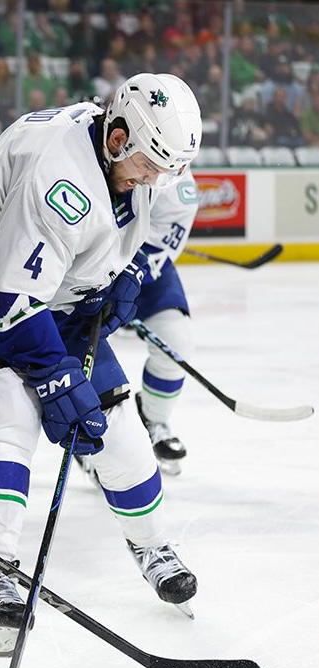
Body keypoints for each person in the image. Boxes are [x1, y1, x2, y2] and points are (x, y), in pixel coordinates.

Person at [0, 73, 202, 655]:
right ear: (118, 138)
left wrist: (120, 277)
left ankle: (150, 544)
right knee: (8, 403)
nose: (154, 179)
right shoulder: (61, 177)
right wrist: (54, 377)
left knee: (117, 423)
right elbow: (9, 306)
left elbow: (118, 227)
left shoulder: (128, 152)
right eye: (148, 166)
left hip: (52, 291)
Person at [132, 172, 200, 475]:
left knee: (176, 342)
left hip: (139, 268)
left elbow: (156, 255)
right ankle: (89, 433)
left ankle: (154, 418)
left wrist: (122, 287)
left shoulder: (180, 188)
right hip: (80, 262)